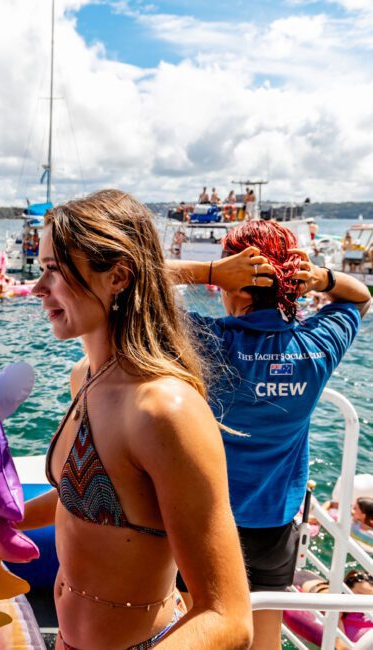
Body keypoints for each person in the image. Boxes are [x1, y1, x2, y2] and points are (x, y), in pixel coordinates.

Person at [24, 190, 252, 649]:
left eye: (54, 270)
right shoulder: (84, 378)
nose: (36, 288)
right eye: (40, 267)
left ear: (118, 277)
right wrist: (4, 520)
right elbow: (87, 496)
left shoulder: (165, 411)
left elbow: (229, 617)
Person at [167, 220, 370, 649]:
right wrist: (322, 278)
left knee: (197, 625)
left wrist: (210, 271)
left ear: (236, 286)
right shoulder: (319, 344)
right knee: (264, 638)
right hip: (276, 520)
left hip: (207, 518)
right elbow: (362, 296)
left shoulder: (208, 341)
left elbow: (130, 283)